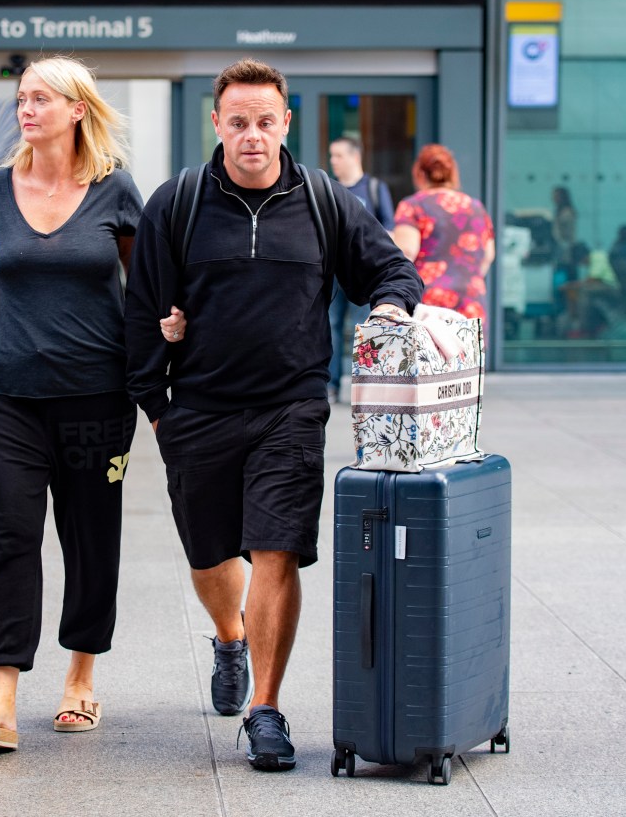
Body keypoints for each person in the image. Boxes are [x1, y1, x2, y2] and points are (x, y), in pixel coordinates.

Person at [124, 58, 422, 772]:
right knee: (210, 554)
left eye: (265, 121)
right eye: (238, 122)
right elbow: (141, 310)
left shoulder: (323, 199)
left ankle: (265, 706)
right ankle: (230, 633)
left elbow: (392, 269)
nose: (251, 135)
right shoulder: (180, 202)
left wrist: (386, 308)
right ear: (217, 124)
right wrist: (159, 410)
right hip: (197, 409)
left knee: (275, 549)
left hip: (291, 407)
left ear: (285, 122)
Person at [0, 56, 185, 753]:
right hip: (8, 393)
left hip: (98, 398)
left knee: (88, 534)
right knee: (10, 532)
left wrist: (163, 356)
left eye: (41, 97)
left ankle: (80, 676)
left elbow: (146, 291)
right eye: (21, 97)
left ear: (78, 108)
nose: (26, 107)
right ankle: (1, 697)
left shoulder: (115, 190)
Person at [393, 144, 495, 328]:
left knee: (428, 355)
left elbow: (406, 252)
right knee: (469, 354)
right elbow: (488, 255)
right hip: (470, 297)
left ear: (420, 173)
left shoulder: (413, 205)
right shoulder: (476, 207)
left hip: (429, 300)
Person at [326, 136, 395, 403]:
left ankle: (361, 387)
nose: (334, 161)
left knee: (361, 329)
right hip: (332, 274)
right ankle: (330, 387)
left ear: (355, 157)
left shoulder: (375, 188)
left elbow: (388, 229)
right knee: (329, 327)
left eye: (339, 155)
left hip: (363, 273)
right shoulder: (329, 189)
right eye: (332, 156)